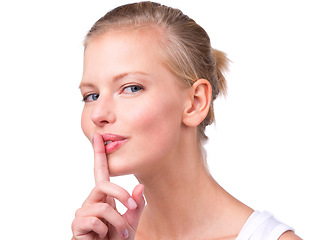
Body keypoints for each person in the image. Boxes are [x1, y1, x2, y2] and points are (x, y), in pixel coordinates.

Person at [71, 2, 301, 239]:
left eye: (131, 88)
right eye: (92, 96)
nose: (98, 114)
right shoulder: (106, 235)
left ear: (195, 102)